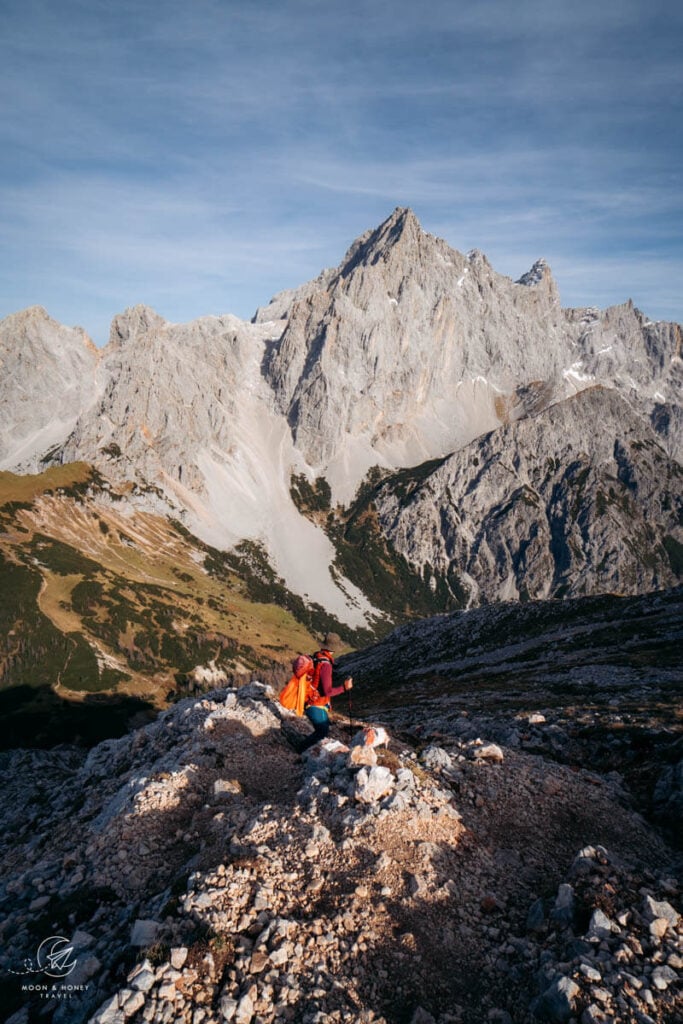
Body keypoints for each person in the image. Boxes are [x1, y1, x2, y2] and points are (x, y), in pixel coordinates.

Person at [297, 647, 353, 753]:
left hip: (309, 700)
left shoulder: (317, 658)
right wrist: (344, 688)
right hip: (316, 704)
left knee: (323, 728)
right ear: (332, 651)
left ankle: (305, 747)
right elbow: (327, 691)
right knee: (322, 731)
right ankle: (301, 751)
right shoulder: (326, 665)